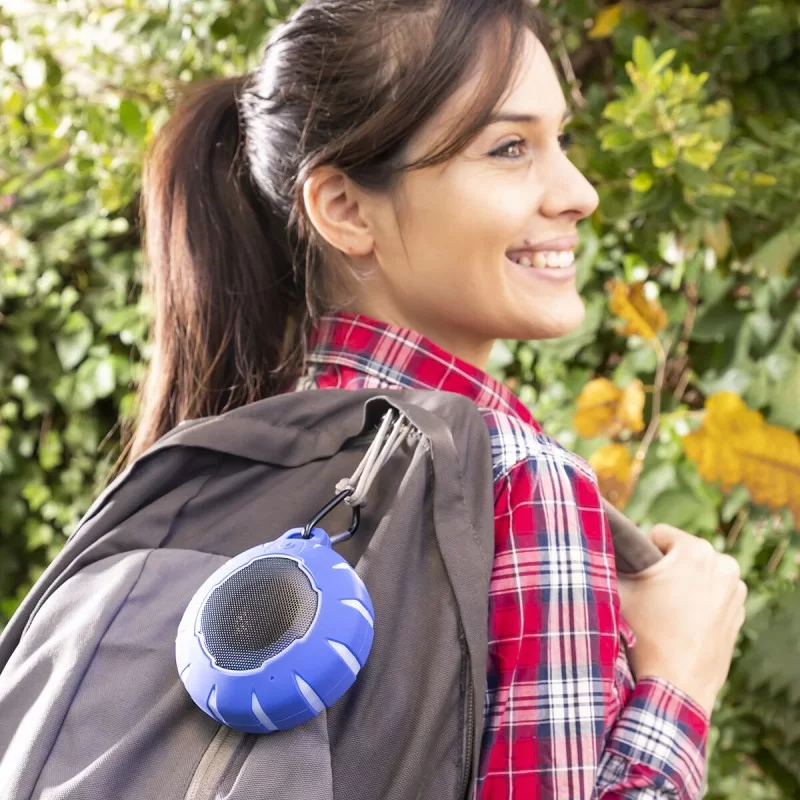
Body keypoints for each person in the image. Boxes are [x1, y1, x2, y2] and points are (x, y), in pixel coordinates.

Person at [129, 0, 747, 796]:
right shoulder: (517, 483)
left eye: (562, 141)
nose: (579, 193)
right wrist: (679, 682)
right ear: (346, 209)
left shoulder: (216, 452)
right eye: (510, 148)